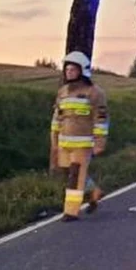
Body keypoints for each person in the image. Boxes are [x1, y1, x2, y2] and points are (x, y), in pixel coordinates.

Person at [49, 51, 108, 221]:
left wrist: (99, 143)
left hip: (83, 144)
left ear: (83, 70)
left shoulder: (95, 93)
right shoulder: (62, 92)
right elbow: (57, 117)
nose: (69, 72)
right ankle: (93, 192)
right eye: (67, 69)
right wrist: (54, 140)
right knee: (67, 173)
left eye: (73, 69)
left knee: (75, 175)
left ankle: (71, 211)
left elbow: (101, 120)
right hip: (64, 143)